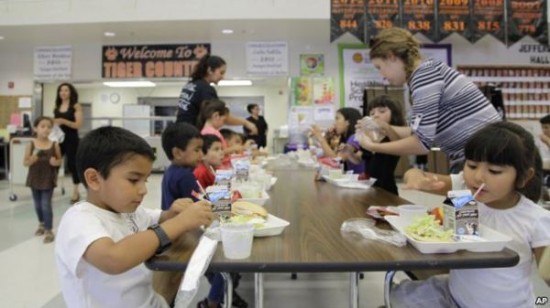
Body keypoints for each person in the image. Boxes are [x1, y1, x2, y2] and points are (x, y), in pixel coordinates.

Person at [54, 126, 213, 308]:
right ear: (94, 179)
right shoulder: (79, 219)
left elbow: (157, 217)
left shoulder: (128, 211)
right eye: (133, 180)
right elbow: (113, 258)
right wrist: (179, 222)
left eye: (144, 180)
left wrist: (173, 213)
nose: (143, 190)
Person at [398, 122, 550, 308]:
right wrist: (416, 177)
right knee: (397, 295)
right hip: (456, 297)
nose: (478, 177)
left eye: (494, 171)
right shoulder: (465, 190)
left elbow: (547, 274)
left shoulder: (535, 218)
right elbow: (414, 172)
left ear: (524, 177)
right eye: (472, 165)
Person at [356, 27, 500, 173]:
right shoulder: (424, 74)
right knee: (456, 195)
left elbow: (421, 144)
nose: (382, 75)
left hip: (485, 158)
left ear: (391, 57)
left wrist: (373, 147)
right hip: (477, 156)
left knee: (459, 196)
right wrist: (385, 128)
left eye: (379, 67)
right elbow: (418, 133)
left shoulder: (424, 77)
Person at [176, 54, 257, 135]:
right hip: (190, 134)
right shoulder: (205, 89)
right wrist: (246, 122)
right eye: (221, 73)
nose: (223, 77)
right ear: (210, 70)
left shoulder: (190, 85)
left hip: (179, 131)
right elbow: (222, 116)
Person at [354, 95, 406, 195]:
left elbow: (398, 145)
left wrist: (386, 127)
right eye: (372, 113)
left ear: (394, 114)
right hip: (369, 187)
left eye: (382, 111)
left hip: (387, 189)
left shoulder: (392, 135)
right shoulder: (369, 136)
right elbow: (359, 158)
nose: (376, 115)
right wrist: (349, 152)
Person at [24, 116, 62, 243]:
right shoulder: (31, 144)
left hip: (48, 179)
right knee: (38, 205)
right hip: (34, 178)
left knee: (46, 204)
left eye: (49, 127)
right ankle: (41, 224)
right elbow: (25, 162)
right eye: (43, 126)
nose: (46, 129)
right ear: (35, 128)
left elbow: (59, 161)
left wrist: (55, 162)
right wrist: (31, 160)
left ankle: (49, 230)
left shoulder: (54, 145)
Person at [160, 122, 203, 211]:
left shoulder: (169, 171)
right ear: (177, 153)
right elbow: (198, 206)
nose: (201, 154)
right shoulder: (185, 176)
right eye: (196, 150)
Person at [53, 82, 83, 203]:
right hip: (58, 138)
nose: (63, 93)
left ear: (71, 92)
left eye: (66, 90)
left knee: (72, 164)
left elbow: (78, 124)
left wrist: (63, 121)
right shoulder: (56, 107)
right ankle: (50, 189)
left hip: (71, 138)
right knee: (54, 162)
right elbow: (55, 123)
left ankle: (76, 191)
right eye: (61, 90)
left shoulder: (76, 106)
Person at [310, 107, 364, 174]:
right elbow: (327, 156)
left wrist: (320, 138)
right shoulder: (344, 138)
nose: (334, 123)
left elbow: (336, 160)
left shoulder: (355, 137)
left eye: (337, 119)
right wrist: (327, 138)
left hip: (359, 181)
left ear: (348, 122)